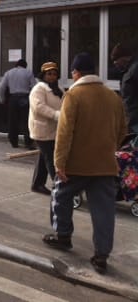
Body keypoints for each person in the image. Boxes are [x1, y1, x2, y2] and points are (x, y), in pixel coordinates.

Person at [42, 52, 126, 275]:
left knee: (60, 196)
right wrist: (109, 149)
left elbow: (64, 132)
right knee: (104, 211)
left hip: (76, 164)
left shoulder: (74, 95)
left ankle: (63, 236)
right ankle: (101, 256)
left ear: (76, 73)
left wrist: (60, 163)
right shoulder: (113, 97)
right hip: (105, 164)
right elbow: (122, 131)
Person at [28, 61, 63, 195]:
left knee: (44, 157)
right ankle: (59, 185)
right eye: (49, 74)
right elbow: (39, 107)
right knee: (51, 158)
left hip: (54, 129)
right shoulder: (39, 89)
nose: (52, 76)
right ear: (43, 75)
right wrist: (55, 115)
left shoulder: (58, 89)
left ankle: (37, 184)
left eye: (54, 74)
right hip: (42, 130)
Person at [0, 59, 37, 149]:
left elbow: (2, 86)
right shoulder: (28, 73)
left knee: (13, 121)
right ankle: (28, 142)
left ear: (16, 65)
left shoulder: (9, 73)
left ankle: (13, 142)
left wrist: (2, 99)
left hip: (13, 98)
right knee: (26, 121)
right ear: (25, 65)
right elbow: (34, 86)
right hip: (25, 98)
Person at [110, 43, 138, 134]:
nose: (115, 63)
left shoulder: (135, 70)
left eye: (116, 59)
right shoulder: (127, 70)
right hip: (131, 122)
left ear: (125, 57)